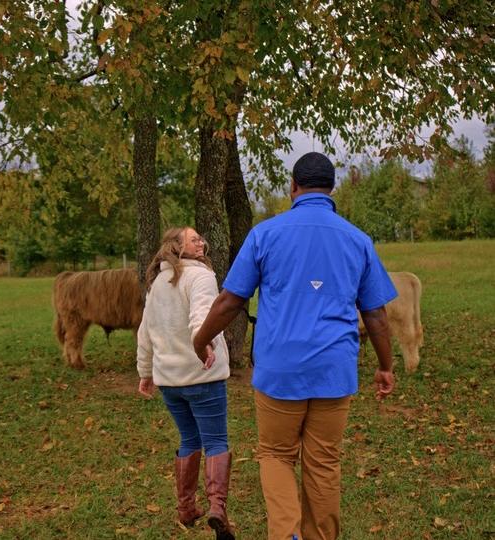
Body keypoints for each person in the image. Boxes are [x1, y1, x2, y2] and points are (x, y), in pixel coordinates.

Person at [193, 152, 397, 540]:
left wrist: (200, 340)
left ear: (293, 186)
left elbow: (230, 301)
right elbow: (376, 315)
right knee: (324, 463)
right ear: (332, 188)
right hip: (333, 372)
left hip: (279, 371)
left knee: (276, 454)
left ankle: (287, 534)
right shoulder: (357, 240)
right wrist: (385, 367)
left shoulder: (265, 235)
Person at [136, 227, 235, 540]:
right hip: (202, 375)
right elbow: (202, 318)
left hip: (170, 381)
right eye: (194, 239)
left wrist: (145, 371)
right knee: (216, 441)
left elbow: (145, 331)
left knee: (189, 439)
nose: (201, 242)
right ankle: (217, 508)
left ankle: (186, 508)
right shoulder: (200, 276)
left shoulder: (157, 282)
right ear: (177, 246)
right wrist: (204, 346)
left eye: (201, 238)